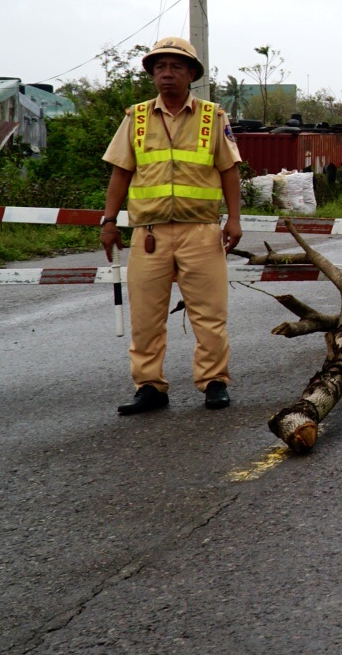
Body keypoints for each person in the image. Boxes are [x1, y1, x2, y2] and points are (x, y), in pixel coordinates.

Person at [98, 37, 244, 415]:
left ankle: (214, 382)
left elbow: (229, 171)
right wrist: (109, 222)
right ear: (152, 74)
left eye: (176, 67)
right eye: (160, 67)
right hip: (150, 234)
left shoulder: (214, 117)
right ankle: (150, 387)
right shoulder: (137, 117)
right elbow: (120, 173)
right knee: (146, 316)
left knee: (210, 314)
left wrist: (235, 220)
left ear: (191, 74)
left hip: (202, 231)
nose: (167, 74)